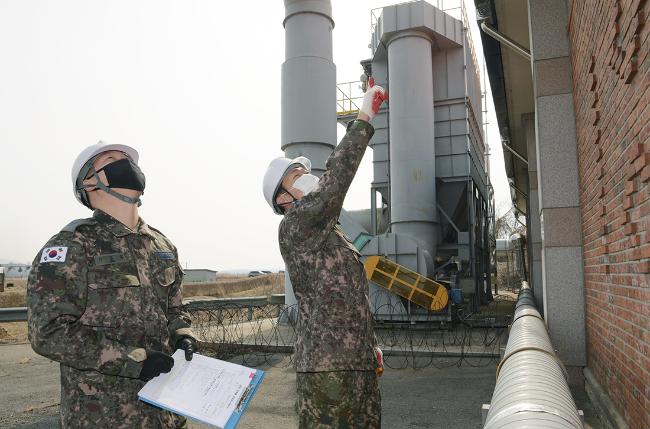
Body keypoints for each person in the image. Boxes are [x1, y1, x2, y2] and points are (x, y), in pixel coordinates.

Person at [27, 141, 197, 428]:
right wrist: (132, 360)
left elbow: (175, 308)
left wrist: (183, 334)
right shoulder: (72, 245)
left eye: (128, 159)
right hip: (105, 415)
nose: (126, 164)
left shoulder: (161, 244)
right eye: (111, 159)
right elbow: (48, 332)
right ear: (89, 184)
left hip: (167, 413)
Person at [262, 80, 388, 428]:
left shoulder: (328, 231)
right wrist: (363, 117)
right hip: (327, 368)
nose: (308, 178)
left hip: (356, 362)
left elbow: (348, 298)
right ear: (283, 199)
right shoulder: (296, 225)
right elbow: (335, 181)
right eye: (297, 176)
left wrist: (369, 345)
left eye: (305, 172)